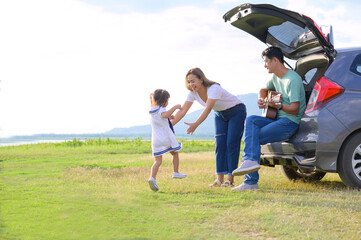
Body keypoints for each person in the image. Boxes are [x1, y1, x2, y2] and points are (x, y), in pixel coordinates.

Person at [231, 46, 306, 191]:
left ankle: (251, 180)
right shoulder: (275, 77)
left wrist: (278, 106)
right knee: (251, 119)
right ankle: (249, 162)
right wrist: (262, 99)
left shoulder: (293, 80)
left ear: (275, 60)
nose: (265, 65)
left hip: (289, 122)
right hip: (276, 118)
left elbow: (295, 109)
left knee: (254, 137)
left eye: (266, 62)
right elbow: (263, 90)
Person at [172, 68, 246, 187]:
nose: (191, 84)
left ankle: (230, 179)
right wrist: (169, 125)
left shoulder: (213, 89)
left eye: (193, 81)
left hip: (236, 111)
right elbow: (183, 110)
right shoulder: (193, 93)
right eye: (189, 82)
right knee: (220, 144)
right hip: (220, 114)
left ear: (201, 79)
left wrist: (196, 124)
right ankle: (219, 179)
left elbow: (207, 108)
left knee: (231, 143)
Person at [148, 89, 187, 192]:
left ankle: (152, 178)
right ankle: (176, 172)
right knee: (175, 153)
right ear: (164, 101)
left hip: (156, 139)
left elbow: (162, 118)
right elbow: (164, 114)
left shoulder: (152, 110)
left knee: (158, 161)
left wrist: (169, 117)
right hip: (165, 137)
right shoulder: (161, 109)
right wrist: (175, 107)